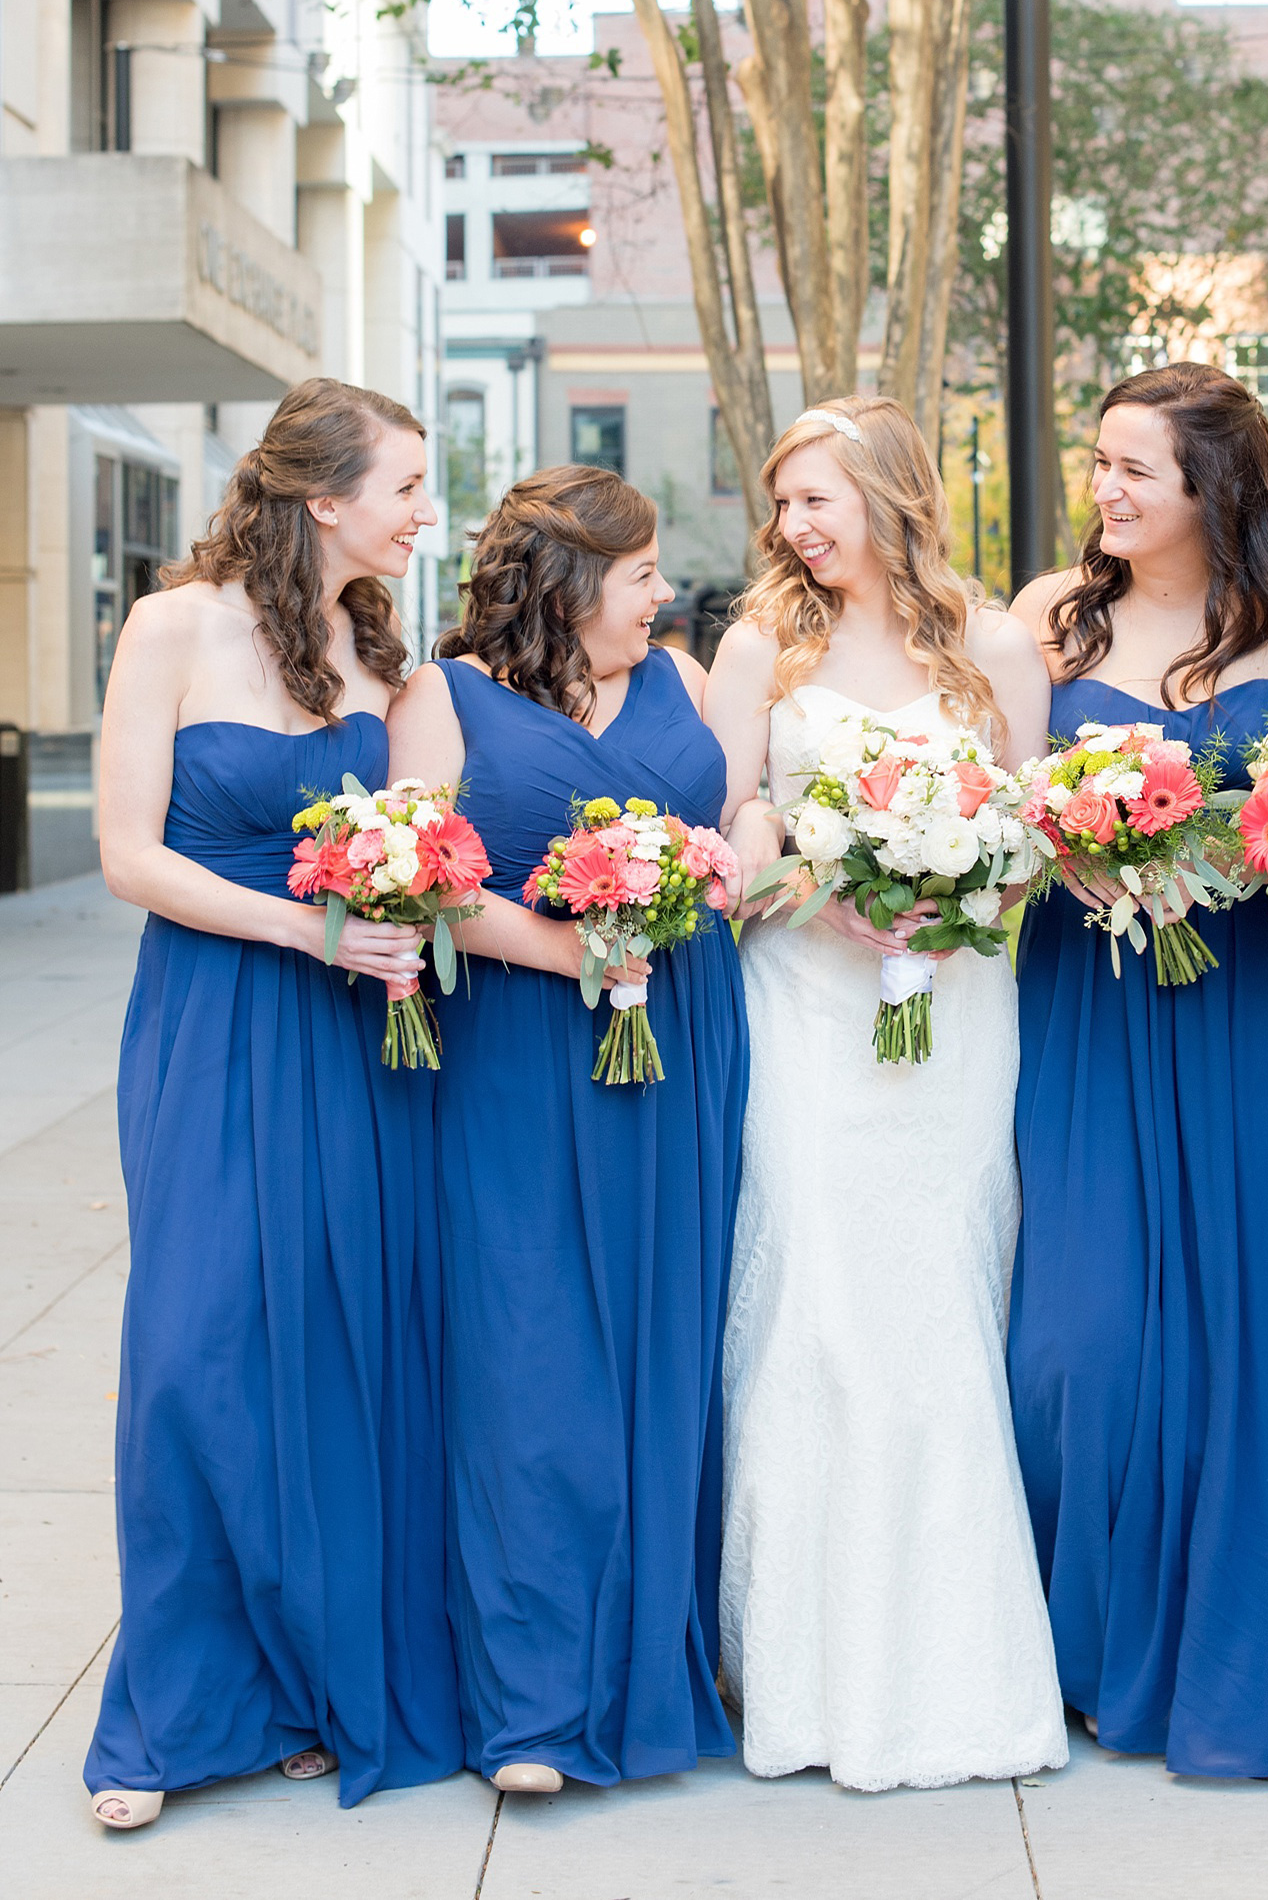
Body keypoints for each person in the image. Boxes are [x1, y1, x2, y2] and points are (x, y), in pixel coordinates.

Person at [85, 380, 459, 1830]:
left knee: (336, 1346)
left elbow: (418, 839)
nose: (425, 511)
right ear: (324, 496)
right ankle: (170, 1711)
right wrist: (306, 929)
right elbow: (129, 854)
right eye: (408, 485)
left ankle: (306, 1682)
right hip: (219, 1019)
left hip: (361, 1037)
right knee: (199, 1348)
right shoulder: (171, 625)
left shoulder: (376, 650)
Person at [706, 398, 1068, 1793]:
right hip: (807, 999)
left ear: (887, 492)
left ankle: (957, 1665)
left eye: (818, 499)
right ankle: (801, 1667)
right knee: (813, 1292)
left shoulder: (988, 644)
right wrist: (815, 881)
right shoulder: (760, 643)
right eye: (784, 501)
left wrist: (964, 882)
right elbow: (739, 811)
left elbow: (1034, 820)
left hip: (959, 1008)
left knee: (939, 1292)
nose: (795, 525)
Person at [1007, 363, 1268, 1776]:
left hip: (1255, 1012)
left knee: (1248, 1333)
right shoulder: (1052, 616)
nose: (1108, 490)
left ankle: (1237, 1644)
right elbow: (999, 804)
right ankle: (1085, 1643)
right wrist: (1076, 844)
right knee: (1076, 1339)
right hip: (1090, 1002)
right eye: (1099, 463)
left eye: (1136, 468)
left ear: (1217, 485)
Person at [385, 468, 748, 1795]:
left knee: (667, 1347)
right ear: (572, 580)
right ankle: (533, 1702)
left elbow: (728, 826)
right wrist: (575, 952)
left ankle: (655, 1664)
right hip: (525, 1061)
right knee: (530, 1359)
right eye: (643, 572)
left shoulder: (685, 679)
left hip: (681, 1049)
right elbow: (417, 872)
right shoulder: (445, 696)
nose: (663, 593)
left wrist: (729, 858)